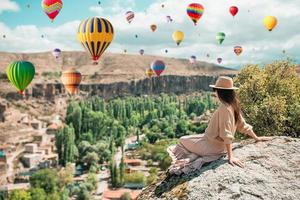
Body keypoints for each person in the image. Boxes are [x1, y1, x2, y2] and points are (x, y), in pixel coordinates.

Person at [167, 76, 271, 175]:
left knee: (182, 140)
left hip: (211, 146)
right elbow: (243, 125)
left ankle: (194, 156)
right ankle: (194, 156)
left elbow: (226, 134)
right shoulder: (233, 105)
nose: (215, 93)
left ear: (220, 92)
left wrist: (231, 157)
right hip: (216, 145)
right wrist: (256, 138)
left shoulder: (224, 108)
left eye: (215, 90)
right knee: (190, 139)